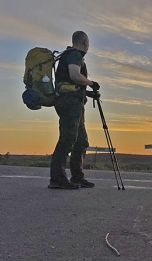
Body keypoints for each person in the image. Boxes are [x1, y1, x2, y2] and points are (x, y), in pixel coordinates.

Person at [49, 31, 101, 189]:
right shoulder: (74, 55)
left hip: (74, 102)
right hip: (69, 103)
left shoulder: (70, 55)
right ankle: (57, 179)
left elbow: (73, 82)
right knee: (68, 138)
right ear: (85, 42)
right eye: (88, 42)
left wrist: (88, 92)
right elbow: (74, 75)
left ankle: (77, 177)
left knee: (81, 141)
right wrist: (91, 83)